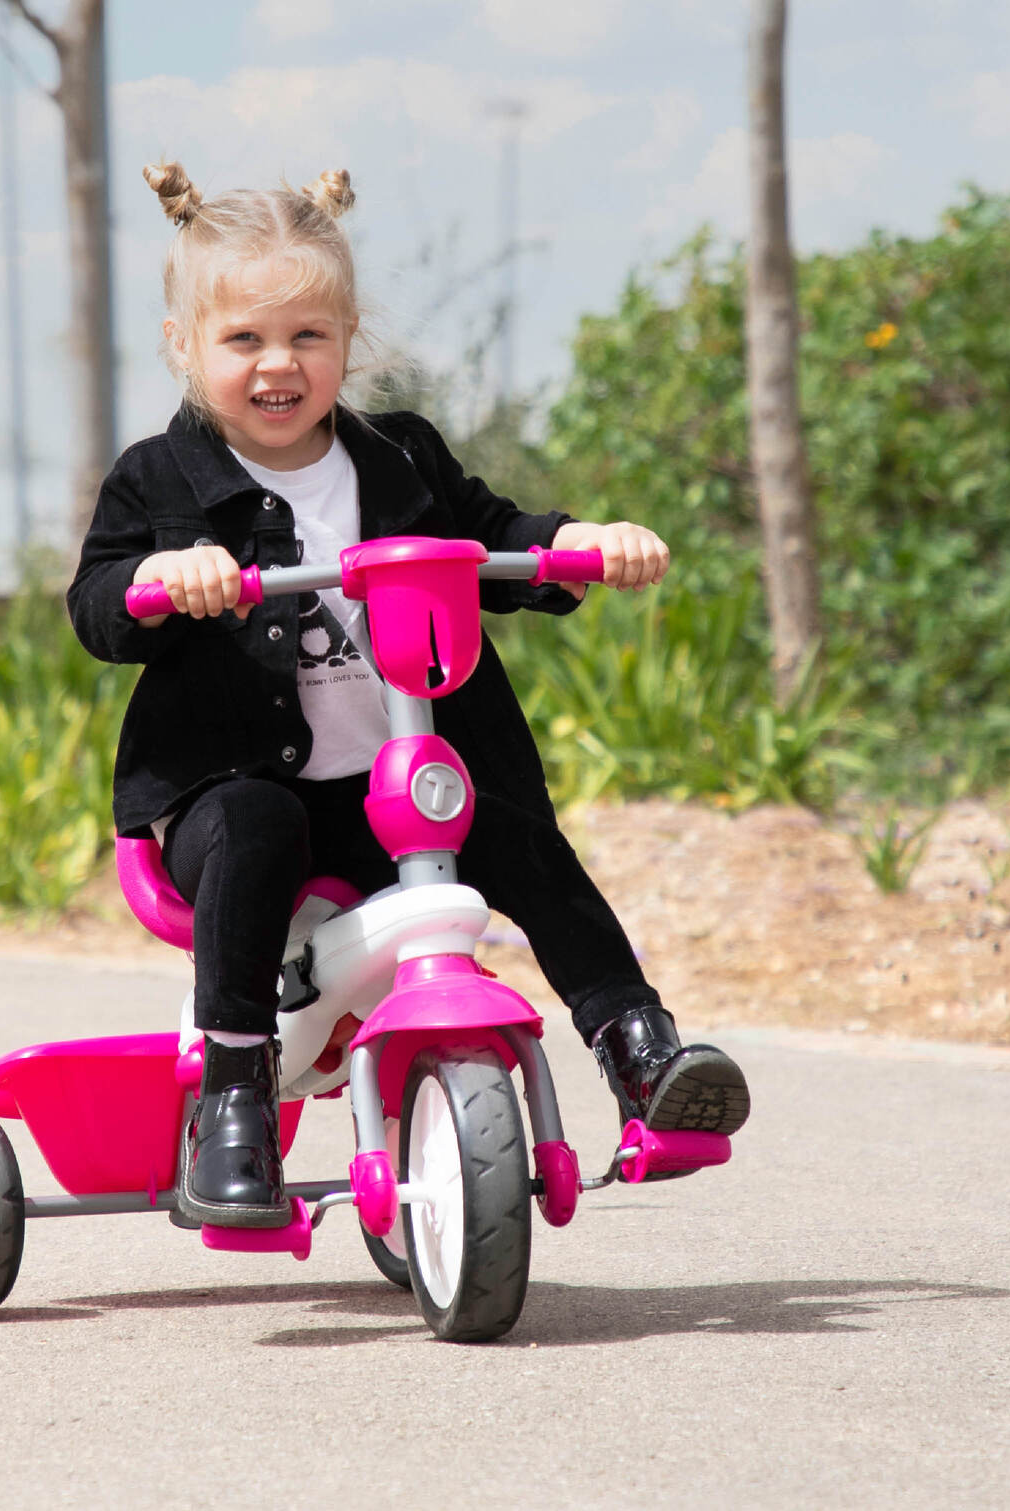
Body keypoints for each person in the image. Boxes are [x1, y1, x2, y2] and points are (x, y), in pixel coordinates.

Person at [64, 160, 752, 1232]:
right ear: (185, 347)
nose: (277, 364)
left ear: (348, 340)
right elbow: (97, 602)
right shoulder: (161, 480)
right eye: (243, 339)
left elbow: (495, 534)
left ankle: (640, 1053)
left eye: (307, 336)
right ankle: (234, 1096)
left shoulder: (400, 457)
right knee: (254, 823)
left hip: (399, 793)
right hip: (233, 793)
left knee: (519, 839)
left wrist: (575, 543)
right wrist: (160, 580)